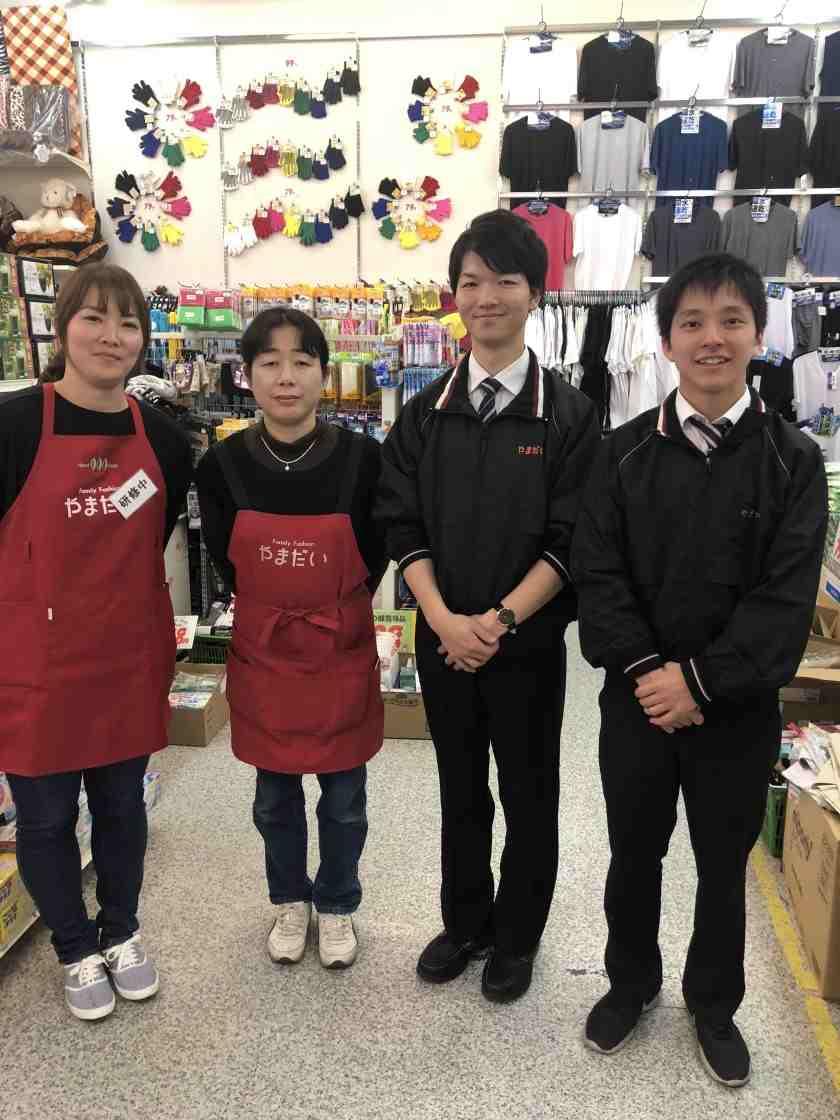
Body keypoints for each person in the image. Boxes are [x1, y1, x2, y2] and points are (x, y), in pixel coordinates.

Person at [571, 253, 827, 1087]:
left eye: (730, 321)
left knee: (724, 868)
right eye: (692, 323)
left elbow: (784, 603)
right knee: (632, 854)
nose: (711, 339)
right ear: (667, 339)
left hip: (737, 710)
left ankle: (714, 1005)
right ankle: (629, 985)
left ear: (759, 335)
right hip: (637, 704)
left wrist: (702, 683)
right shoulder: (619, 453)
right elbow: (597, 574)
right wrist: (654, 674)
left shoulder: (794, 463)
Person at [376, 209, 599, 1003]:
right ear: (455, 296)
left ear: (535, 293)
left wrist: (501, 621)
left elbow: (574, 539)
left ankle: (518, 936)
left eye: (505, 280)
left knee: (529, 792)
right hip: (443, 642)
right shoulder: (427, 410)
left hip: (528, 647)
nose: (487, 296)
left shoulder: (568, 414)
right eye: (471, 281)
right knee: (459, 785)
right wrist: (441, 620)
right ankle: (465, 920)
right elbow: (402, 521)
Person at [0, 264, 193, 1021]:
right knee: (45, 819)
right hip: (32, 661)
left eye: (128, 324)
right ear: (62, 327)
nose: (112, 337)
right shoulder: (14, 426)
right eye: (94, 319)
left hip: (126, 653)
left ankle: (122, 931)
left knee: (121, 807)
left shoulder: (167, 440)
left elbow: (156, 538)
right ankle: (75, 948)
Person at [196, 307, 386, 971]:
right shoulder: (221, 466)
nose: (286, 377)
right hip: (266, 653)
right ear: (246, 375)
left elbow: (376, 554)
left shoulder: (366, 460)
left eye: (302, 361)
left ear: (323, 374)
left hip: (339, 651)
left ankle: (336, 903)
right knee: (274, 798)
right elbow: (227, 560)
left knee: (344, 801)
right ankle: (288, 900)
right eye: (269, 363)